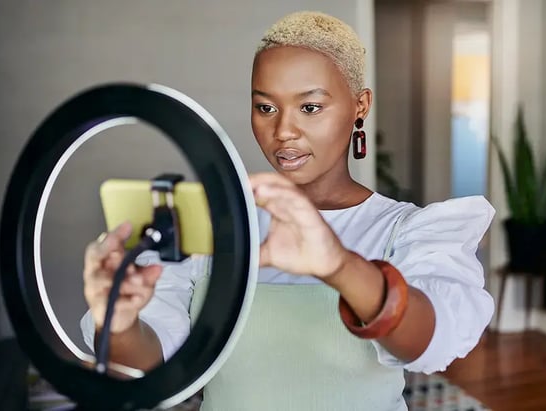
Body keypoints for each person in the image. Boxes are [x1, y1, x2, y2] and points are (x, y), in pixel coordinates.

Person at [80, 10, 495, 411]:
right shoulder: (215, 228)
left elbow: (429, 342)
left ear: (360, 105)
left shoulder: (406, 230)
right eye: (266, 107)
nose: (283, 131)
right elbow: (147, 366)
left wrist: (338, 265)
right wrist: (118, 321)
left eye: (310, 107)